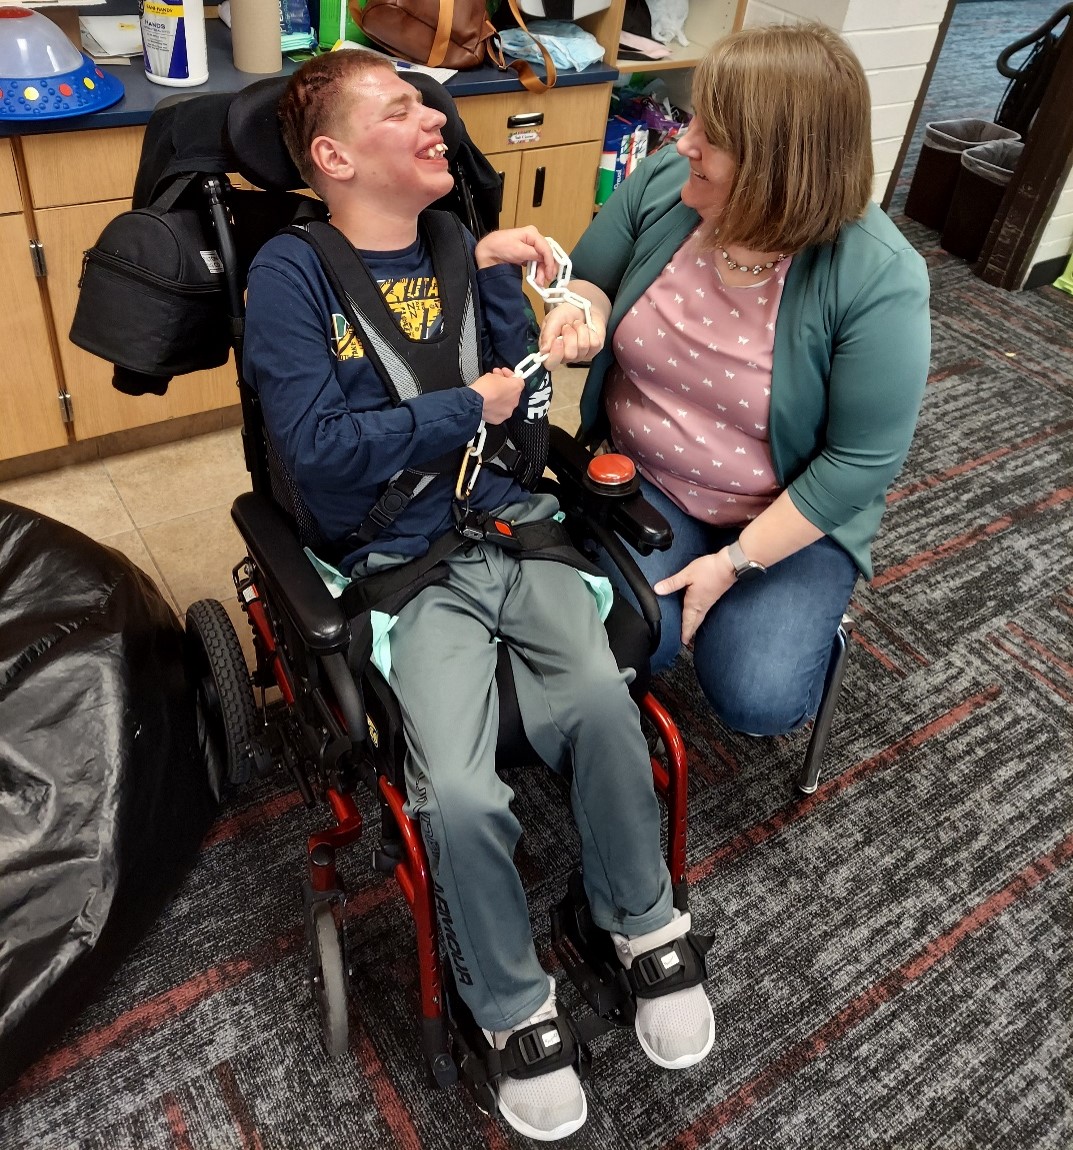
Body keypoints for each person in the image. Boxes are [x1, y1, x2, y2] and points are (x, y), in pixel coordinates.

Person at [242, 50, 714, 1143]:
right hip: (401, 566)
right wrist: (468, 406)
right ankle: (506, 1003)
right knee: (453, 792)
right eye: (401, 107)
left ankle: (637, 926)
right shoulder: (288, 275)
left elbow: (519, 416)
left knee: (604, 702)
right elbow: (315, 459)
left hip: (511, 529)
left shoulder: (466, 246)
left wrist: (551, 341)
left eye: (426, 102)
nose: (432, 119)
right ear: (333, 156)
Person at [539, 23, 931, 738]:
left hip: (785, 510)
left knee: (757, 700)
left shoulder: (877, 275)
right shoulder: (666, 183)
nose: (683, 141)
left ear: (779, 164)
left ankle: (781, 616)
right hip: (647, 476)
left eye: (710, 135)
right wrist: (578, 318)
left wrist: (734, 563)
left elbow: (861, 461)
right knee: (630, 644)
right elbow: (588, 281)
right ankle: (709, 598)